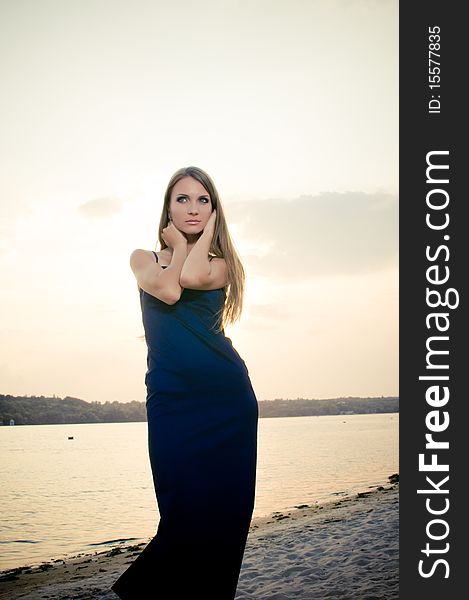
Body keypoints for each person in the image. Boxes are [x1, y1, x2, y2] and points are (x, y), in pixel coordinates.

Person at [111, 166, 259, 599]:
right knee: (182, 517)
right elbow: (170, 291)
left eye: (203, 201)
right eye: (183, 199)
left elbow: (191, 279)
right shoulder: (143, 258)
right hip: (173, 404)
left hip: (227, 403)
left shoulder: (221, 264)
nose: (192, 208)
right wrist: (176, 245)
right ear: (167, 207)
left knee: (226, 520)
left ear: (215, 211)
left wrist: (194, 240)